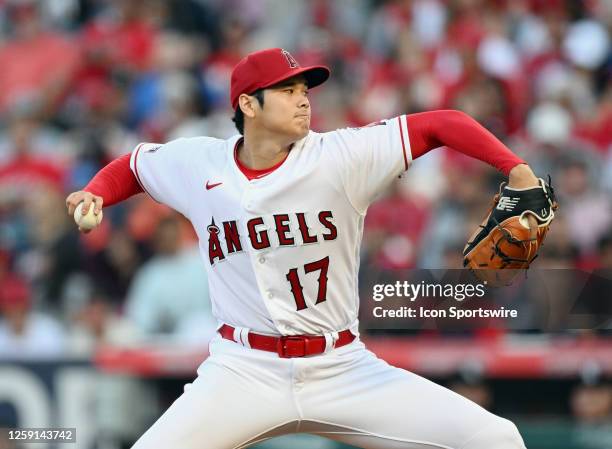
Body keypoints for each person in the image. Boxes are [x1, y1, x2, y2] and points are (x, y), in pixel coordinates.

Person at [65, 48, 539, 448]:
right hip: (243, 370)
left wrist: (515, 168)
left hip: (342, 367)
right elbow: (133, 165)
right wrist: (96, 193)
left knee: (494, 439)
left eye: (304, 91)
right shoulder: (198, 162)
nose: (303, 101)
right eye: (287, 91)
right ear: (248, 105)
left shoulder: (341, 157)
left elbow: (441, 123)